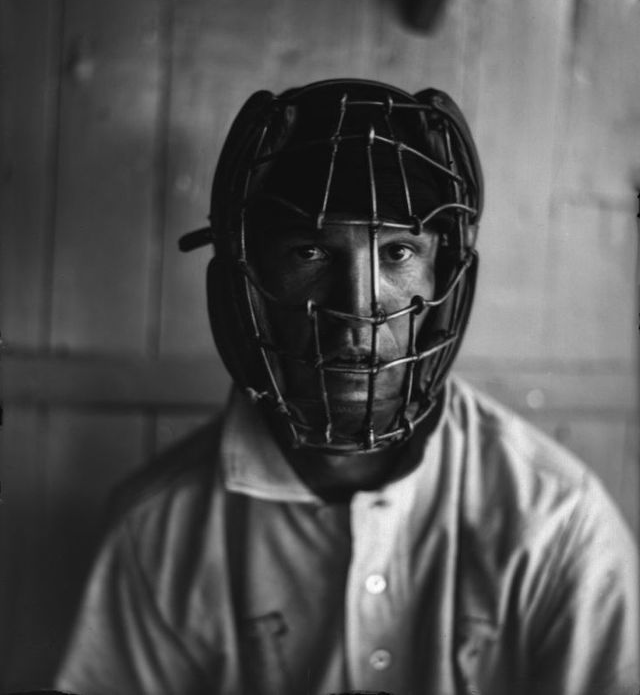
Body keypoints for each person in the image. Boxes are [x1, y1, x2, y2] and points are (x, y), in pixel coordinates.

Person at [55, 79, 638, 695]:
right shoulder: (157, 534)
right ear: (247, 279)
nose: (359, 310)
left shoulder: (555, 521)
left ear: (444, 270)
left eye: (398, 253)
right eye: (311, 250)